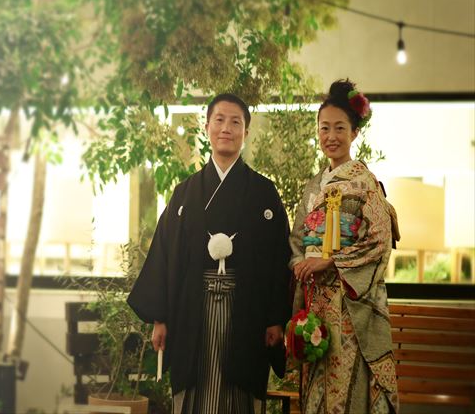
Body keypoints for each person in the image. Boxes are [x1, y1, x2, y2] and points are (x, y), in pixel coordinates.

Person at [127, 93, 291, 414]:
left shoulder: (264, 193)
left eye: (235, 122)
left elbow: (278, 260)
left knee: (239, 394)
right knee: (195, 393)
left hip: (246, 313)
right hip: (192, 311)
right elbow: (165, 256)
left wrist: (276, 319)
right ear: (207, 128)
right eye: (219, 120)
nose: (226, 128)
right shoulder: (184, 193)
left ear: (246, 132)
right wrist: (160, 318)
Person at [289, 79, 399, 413]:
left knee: (347, 388)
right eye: (324, 128)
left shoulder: (365, 183)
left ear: (354, 132)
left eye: (340, 127)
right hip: (315, 305)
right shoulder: (313, 187)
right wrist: (299, 263)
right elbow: (297, 240)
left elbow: (379, 241)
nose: (331, 136)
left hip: (351, 305)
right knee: (316, 388)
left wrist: (330, 261)